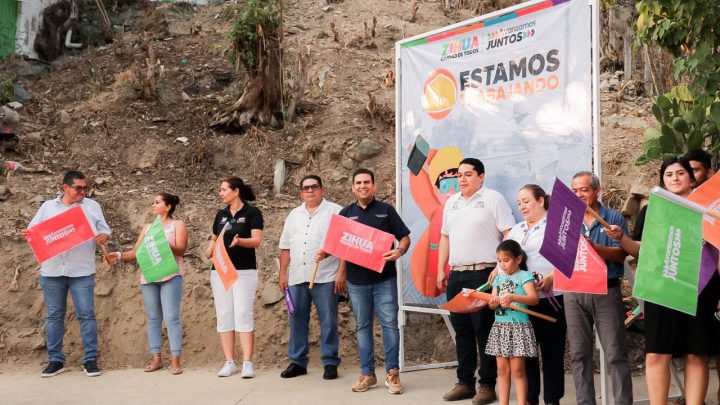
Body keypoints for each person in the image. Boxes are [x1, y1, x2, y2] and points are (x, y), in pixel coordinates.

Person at [606, 157, 720, 405]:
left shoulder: (710, 208)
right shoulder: (653, 209)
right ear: (663, 180)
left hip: (699, 288)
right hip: (663, 286)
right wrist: (622, 239)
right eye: (669, 174)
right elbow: (640, 249)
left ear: (691, 177)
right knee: (657, 353)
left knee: (696, 353)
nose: (675, 178)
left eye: (681, 173)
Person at [436, 158, 516, 404]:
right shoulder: (452, 203)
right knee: (462, 330)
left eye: (468, 174)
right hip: (457, 274)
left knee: (484, 329)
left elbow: (508, 234)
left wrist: (501, 269)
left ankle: (487, 385)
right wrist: (441, 269)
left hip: (485, 273)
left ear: (481, 176)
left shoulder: (494, 199)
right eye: (459, 175)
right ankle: (465, 382)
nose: (462, 179)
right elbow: (445, 237)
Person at [330, 168, 410, 394]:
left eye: (367, 182)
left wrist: (399, 251)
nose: (363, 186)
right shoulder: (346, 213)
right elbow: (340, 245)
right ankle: (368, 373)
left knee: (389, 326)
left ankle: (393, 373)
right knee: (363, 327)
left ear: (374, 186)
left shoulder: (386, 210)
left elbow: (404, 237)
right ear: (353, 187)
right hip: (357, 282)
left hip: (385, 280)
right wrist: (338, 269)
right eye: (358, 183)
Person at [24, 170, 111, 378]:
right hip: (52, 271)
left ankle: (90, 359)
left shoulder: (91, 206)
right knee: (54, 316)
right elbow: (33, 232)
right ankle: (55, 360)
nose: (83, 191)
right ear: (65, 187)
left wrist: (103, 236)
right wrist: (28, 235)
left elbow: (105, 230)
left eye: (85, 188)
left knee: (86, 315)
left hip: (82, 270)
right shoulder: (47, 207)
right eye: (78, 188)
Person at [566, 171, 632, 405]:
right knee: (579, 354)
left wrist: (593, 247)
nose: (578, 195)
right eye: (574, 190)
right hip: (573, 291)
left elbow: (621, 254)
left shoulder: (613, 218)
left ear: (597, 191)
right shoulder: (567, 218)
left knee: (615, 354)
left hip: (606, 289)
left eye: (584, 189)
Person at [105, 193, 188, 375]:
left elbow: (182, 249)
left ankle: (175, 360)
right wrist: (117, 255)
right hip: (149, 277)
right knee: (153, 318)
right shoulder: (148, 228)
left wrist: (165, 244)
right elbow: (135, 253)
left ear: (168, 207)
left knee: (172, 318)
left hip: (170, 276)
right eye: (153, 202)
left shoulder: (177, 225)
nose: (153, 205)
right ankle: (156, 358)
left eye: (157, 202)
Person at [278, 175, 342, 380]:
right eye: (306, 188)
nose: (310, 190)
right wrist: (282, 274)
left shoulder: (335, 211)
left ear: (322, 190)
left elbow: (344, 243)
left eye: (314, 187)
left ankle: (330, 362)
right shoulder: (293, 215)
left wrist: (342, 273)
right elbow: (286, 247)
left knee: (328, 320)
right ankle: (298, 362)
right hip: (297, 276)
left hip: (325, 276)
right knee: (296, 319)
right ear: (301, 192)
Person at [507, 185, 566, 405]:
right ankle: (530, 400)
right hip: (523, 300)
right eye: (519, 202)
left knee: (552, 353)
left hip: (552, 299)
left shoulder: (557, 227)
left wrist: (553, 275)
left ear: (541, 201)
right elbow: (504, 260)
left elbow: (570, 259)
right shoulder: (517, 229)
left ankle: (552, 400)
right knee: (527, 354)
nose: (522, 206)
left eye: (526, 201)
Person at [205, 176, 264, 378]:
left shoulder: (252, 212)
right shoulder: (220, 214)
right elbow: (214, 239)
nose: (220, 193)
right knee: (224, 314)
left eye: (223, 189)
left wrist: (240, 242)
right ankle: (230, 362)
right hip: (220, 271)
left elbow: (256, 240)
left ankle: (248, 362)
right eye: (220, 190)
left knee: (243, 314)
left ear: (236, 191)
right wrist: (209, 250)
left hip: (244, 271)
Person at [486, 239, 539, 405]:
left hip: (518, 327)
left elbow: (533, 299)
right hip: (500, 327)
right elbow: (492, 304)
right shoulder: (498, 279)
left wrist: (513, 297)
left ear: (518, 259)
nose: (502, 265)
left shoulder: (525, 276)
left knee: (518, 370)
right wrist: (492, 303)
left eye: (506, 260)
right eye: (499, 261)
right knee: (502, 370)